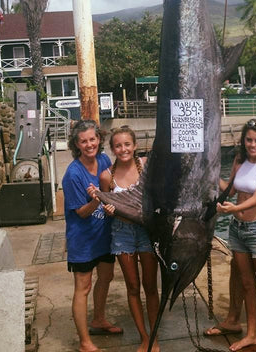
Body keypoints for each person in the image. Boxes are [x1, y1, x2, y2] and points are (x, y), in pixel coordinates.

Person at [88, 125, 160, 352]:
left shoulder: (147, 166)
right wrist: (108, 209)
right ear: (112, 149)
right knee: (132, 287)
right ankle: (144, 337)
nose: (123, 149)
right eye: (118, 146)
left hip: (147, 232)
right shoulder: (106, 176)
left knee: (150, 287)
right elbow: (106, 204)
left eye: (127, 144)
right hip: (121, 233)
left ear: (135, 145)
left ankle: (155, 337)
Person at [216, 118, 256, 352]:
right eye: (249, 140)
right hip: (238, 229)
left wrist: (233, 208)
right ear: (243, 141)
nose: (253, 145)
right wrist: (211, 175)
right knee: (246, 284)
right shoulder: (239, 160)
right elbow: (231, 190)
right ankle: (252, 335)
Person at [62, 120, 123, 352]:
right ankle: (85, 342)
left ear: (99, 138)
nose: (89, 144)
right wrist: (97, 198)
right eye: (83, 141)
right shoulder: (73, 174)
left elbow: (112, 190)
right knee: (83, 287)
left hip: (104, 236)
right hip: (83, 240)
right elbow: (82, 212)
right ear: (76, 145)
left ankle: (98, 319)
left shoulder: (105, 160)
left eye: (92, 139)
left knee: (106, 277)